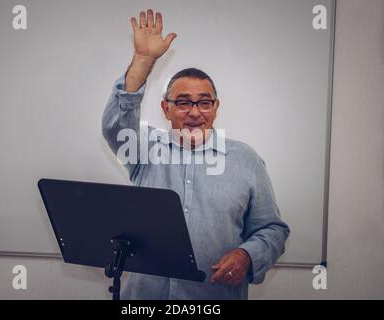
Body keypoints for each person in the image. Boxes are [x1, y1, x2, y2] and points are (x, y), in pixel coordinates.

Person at [102, 9, 290, 300]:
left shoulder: (245, 159)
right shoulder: (145, 149)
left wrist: (248, 255)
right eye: (183, 103)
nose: (194, 112)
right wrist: (143, 60)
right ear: (166, 109)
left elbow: (272, 229)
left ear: (216, 108)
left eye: (204, 103)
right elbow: (114, 124)